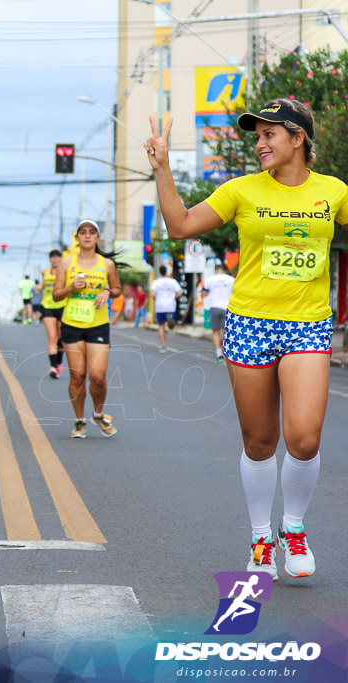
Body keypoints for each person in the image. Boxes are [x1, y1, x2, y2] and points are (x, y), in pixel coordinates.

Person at [146, 99, 345, 580]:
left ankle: (292, 530)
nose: (259, 144)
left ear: (298, 138)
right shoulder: (240, 190)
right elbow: (180, 226)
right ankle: (261, 539)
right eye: (256, 136)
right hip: (251, 322)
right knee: (260, 442)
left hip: (309, 325)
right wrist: (162, 169)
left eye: (269, 135)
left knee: (304, 437)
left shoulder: (334, 192)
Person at [52, 219, 122, 439]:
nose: (88, 236)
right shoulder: (66, 264)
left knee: (98, 377)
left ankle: (98, 413)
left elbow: (118, 288)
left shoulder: (107, 264)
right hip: (72, 323)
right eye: (83, 232)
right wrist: (71, 287)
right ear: (77, 238)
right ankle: (80, 420)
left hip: (98, 324)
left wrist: (108, 292)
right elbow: (56, 295)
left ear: (97, 237)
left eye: (92, 232)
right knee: (78, 376)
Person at [38, 249, 66, 378]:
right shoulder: (45, 272)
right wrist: (39, 287)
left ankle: (59, 362)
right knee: (52, 337)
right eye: (53, 257)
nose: (55, 259)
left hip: (62, 305)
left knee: (61, 339)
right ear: (50, 259)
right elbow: (45, 285)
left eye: (58, 257)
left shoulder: (66, 272)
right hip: (48, 306)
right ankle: (53, 367)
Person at [202, 263, 236, 363]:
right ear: (225, 271)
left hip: (214, 307)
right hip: (228, 308)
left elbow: (203, 294)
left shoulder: (210, 279)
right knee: (226, 332)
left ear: (216, 271)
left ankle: (218, 353)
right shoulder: (231, 279)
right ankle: (228, 353)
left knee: (215, 332)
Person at [150, 265, 183, 352]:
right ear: (167, 272)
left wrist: (156, 298)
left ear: (160, 272)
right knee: (171, 326)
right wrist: (173, 298)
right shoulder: (173, 281)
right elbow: (179, 293)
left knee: (161, 326)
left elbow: (153, 294)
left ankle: (163, 346)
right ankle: (171, 323)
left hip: (160, 306)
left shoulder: (156, 282)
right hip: (170, 305)